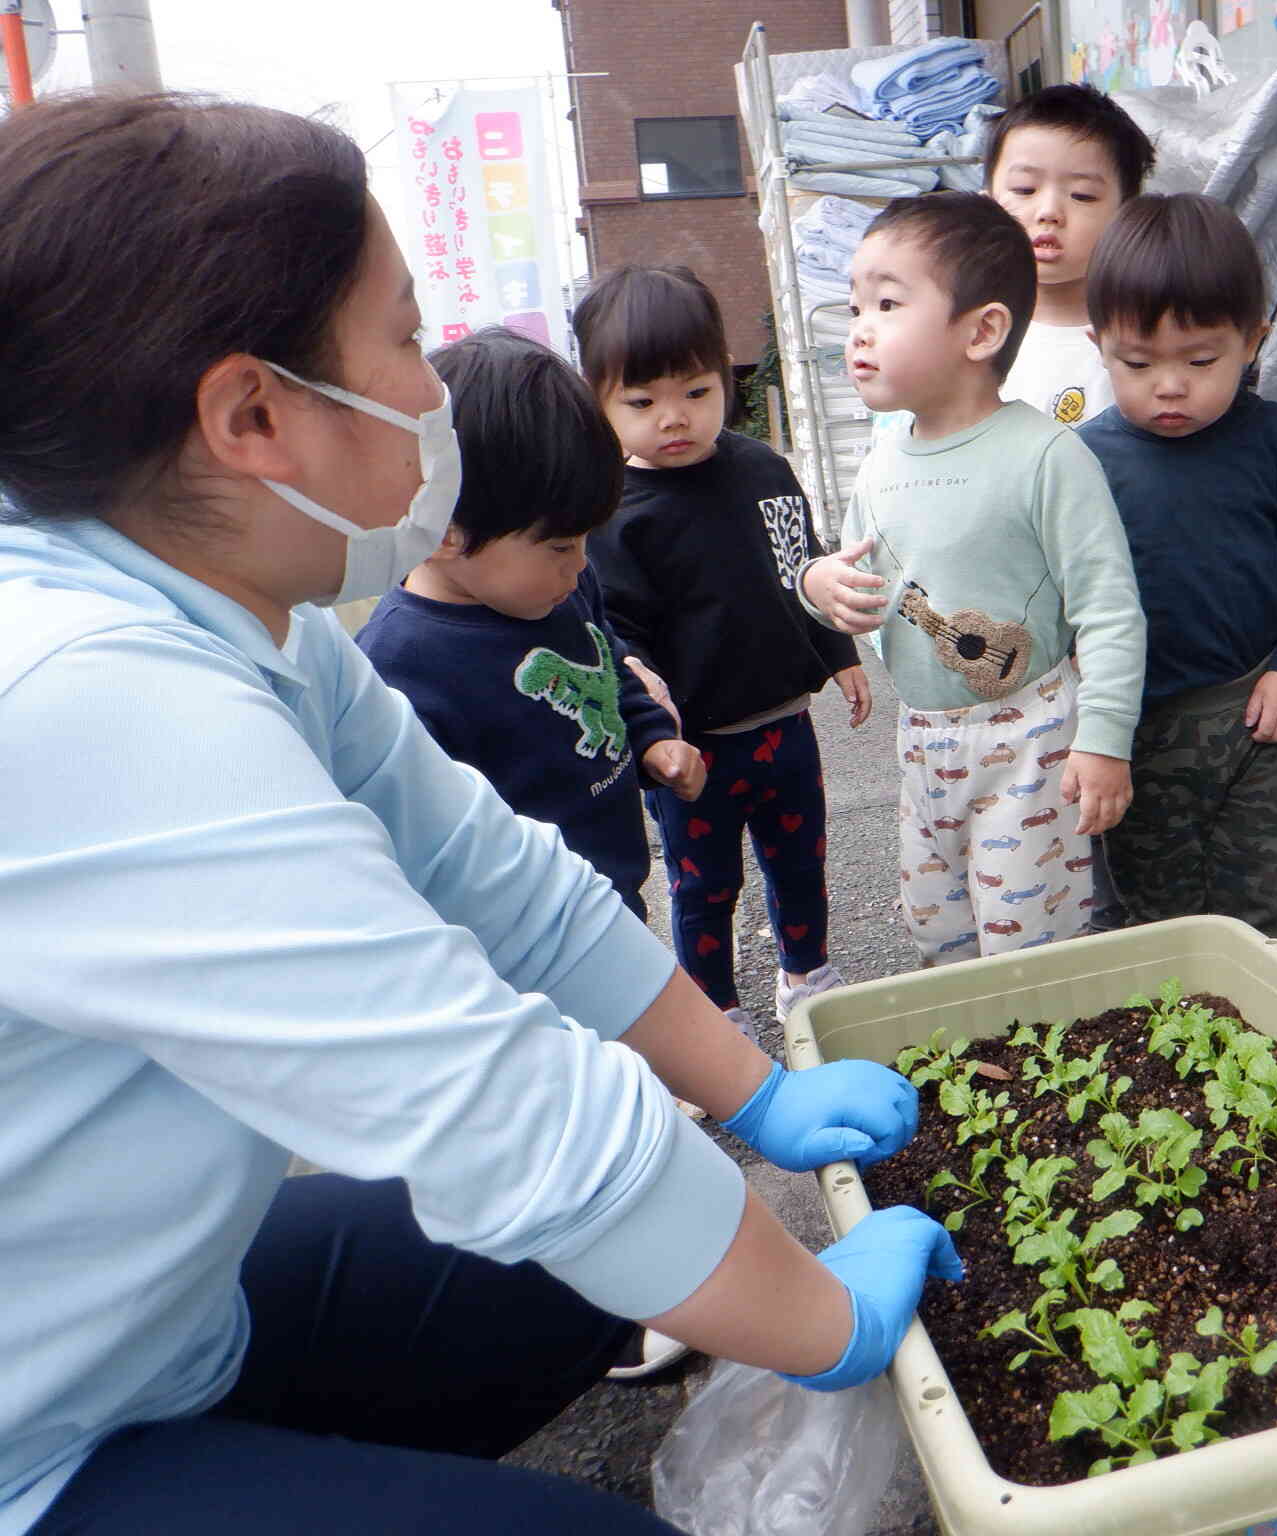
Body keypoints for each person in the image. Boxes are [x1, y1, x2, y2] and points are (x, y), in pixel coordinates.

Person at [0, 92, 955, 1536]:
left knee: (591, 1274)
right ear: (252, 415)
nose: (436, 388)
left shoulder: (237, 616)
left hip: (141, 1311)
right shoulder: (89, 702)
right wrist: (827, 1324)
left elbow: (485, 867)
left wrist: (749, 1094)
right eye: (401, 335)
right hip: (31, 1432)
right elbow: (499, 1104)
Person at [801, 191, 1145, 965]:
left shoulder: (1046, 456)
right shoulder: (880, 463)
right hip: (922, 742)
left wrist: (1104, 740)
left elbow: (1111, 612)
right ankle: (972, 1075)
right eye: (857, 304)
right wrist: (819, 588)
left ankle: (1042, 1074)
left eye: (887, 302)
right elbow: (854, 581)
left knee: (1030, 942)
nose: (860, 327)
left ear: (982, 330)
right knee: (937, 934)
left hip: (1031, 740)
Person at [572, 266, 869, 1037]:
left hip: (785, 723)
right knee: (704, 885)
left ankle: (808, 976)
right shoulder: (611, 512)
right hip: (691, 748)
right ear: (598, 400)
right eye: (641, 403)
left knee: (800, 861)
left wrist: (839, 652)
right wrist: (653, 731)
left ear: (722, 378)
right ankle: (717, 1015)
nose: (674, 418)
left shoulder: (763, 471)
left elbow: (801, 567)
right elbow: (619, 634)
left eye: (697, 393)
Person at [357, 326, 705, 929]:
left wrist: (651, 737)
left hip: (613, 896)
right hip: (521, 936)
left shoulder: (563, 586)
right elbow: (420, 847)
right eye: (560, 546)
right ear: (442, 527)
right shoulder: (400, 668)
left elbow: (608, 662)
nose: (580, 566)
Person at [1076, 193, 1277, 940]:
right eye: (1137, 362)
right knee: (1153, 909)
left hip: (1253, 708)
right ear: (1100, 345)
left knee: (1256, 901)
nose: (1169, 384)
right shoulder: (1080, 461)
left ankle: (1260, 1033)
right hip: (1136, 724)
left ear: (1252, 341)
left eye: (1200, 360)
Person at [982, 81, 1155, 428]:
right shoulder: (964, 332)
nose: (1049, 211)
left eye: (1082, 195)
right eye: (1024, 189)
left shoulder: (1149, 337)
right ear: (986, 201)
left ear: (1127, 213)